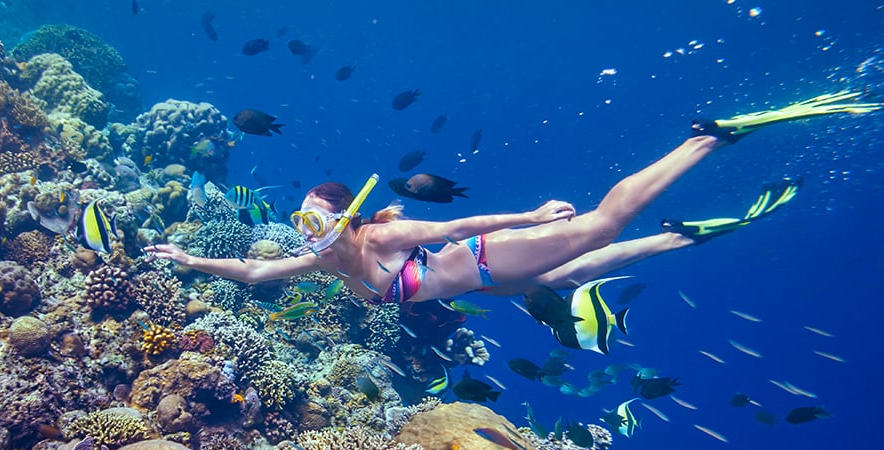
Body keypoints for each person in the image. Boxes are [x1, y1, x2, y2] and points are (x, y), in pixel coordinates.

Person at [145, 91, 879, 302]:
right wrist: (189, 260)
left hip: (485, 258)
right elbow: (253, 270)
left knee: (602, 224)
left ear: (343, 216)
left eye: (314, 217)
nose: (304, 229)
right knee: (568, 277)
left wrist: (530, 214)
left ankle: (706, 140)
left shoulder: (378, 238)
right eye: (299, 220)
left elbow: (457, 224)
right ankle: (682, 235)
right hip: (492, 283)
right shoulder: (325, 263)